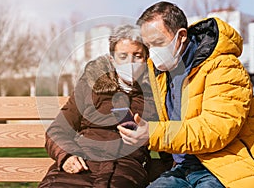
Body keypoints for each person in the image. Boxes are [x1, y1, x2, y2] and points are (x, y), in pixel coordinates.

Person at [118, 1, 254, 188]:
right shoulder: (161, 73)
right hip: (183, 167)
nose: (153, 52)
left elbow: (215, 129)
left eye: (158, 43)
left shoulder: (224, 67)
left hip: (226, 166)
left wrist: (151, 133)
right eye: (149, 45)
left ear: (181, 36)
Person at [38, 24, 171, 188]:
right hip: (80, 164)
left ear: (146, 58)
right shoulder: (90, 86)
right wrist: (66, 156)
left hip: (125, 171)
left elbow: (169, 141)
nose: (130, 62)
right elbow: (58, 129)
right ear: (112, 59)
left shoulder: (156, 94)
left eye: (137, 56)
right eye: (123, 56)